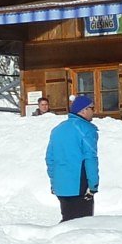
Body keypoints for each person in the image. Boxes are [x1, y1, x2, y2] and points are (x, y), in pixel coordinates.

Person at [45, 93, 100, 221]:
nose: (94, 111)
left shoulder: (57, 130)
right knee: (82, 225)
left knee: (67, 220)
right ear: (83, 110)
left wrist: (54, 182)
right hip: (80, 185)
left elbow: (50, 159)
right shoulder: (87, 129)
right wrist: (93, 185)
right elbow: (90, 158)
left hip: (61, 185)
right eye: (92, 108)